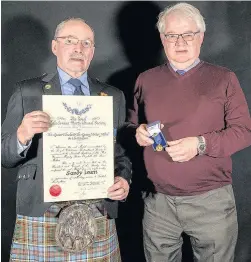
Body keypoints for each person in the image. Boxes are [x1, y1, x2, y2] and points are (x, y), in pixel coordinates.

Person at [127, 3, 251, 262]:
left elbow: (244, 131)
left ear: (201, 37)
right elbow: (129, 126)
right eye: (172, 35)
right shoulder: (145, 80)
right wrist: (136, 132)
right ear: (163, 38)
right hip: (157, 204)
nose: (180, 42)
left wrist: (200, 144)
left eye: (188, 34)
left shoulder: (224, 78)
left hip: (211, 203)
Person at [2, 18, 131, 261]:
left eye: (86, 43)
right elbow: (4, 156)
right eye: (69, 41)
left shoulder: (113, 96)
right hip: (41, 214)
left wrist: (123, 179)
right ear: (54, 47)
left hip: (96, 212)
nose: (78, 48)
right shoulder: (27, 92)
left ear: (92, 51)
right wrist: (22, 134)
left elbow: (120, 154)